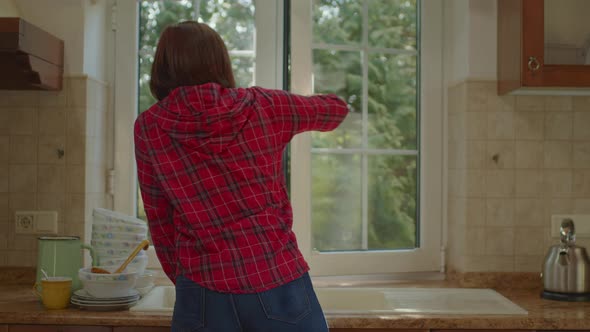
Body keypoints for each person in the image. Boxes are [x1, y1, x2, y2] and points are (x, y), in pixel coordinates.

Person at [134, 21, 349, 332]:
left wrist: (187, 279)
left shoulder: (149, 126)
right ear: (219, 62)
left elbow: (160, 220)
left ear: (163, 67)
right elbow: (335, 111)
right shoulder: (265, 105)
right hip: (276, 276)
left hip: (201, 288)